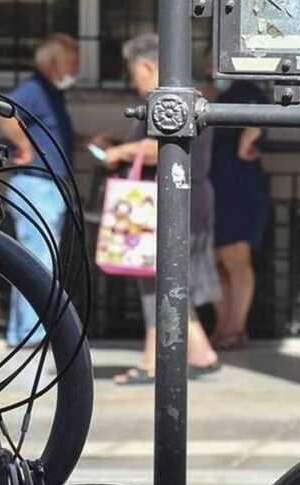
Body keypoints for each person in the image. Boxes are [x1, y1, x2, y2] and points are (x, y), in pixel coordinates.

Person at [103, 33, 222, 385]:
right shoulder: (192, 96)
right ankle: (201, 353)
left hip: (172, 204)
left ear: (147, 66)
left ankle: (153, 361)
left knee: (158, 280)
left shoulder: (169, 101)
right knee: (173, 279)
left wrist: (120, 152)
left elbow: (166, 148)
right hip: (188, 199)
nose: (133, 82)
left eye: (133, 74)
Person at [0, 34, 108, 348]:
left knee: (37, 261)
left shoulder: (51, 93)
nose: (76, 69)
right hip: (37, 184)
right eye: (72, 62)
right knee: (38, 264)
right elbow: (6, 114)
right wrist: (23, 147)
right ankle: (32, 334)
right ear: (52, 61)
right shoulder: (35, 89)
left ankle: (27, 331)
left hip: (47, 185)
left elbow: (51, 132)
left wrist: (84, 140)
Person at [207, 79, 271, 350]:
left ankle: (235, 328)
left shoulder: (245, 90)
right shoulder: (208, 93)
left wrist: (250, 137)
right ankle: (223, 326)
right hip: (212, 184)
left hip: (238, 184)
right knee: (215, 259)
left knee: (235, 256)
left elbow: (260, 119)